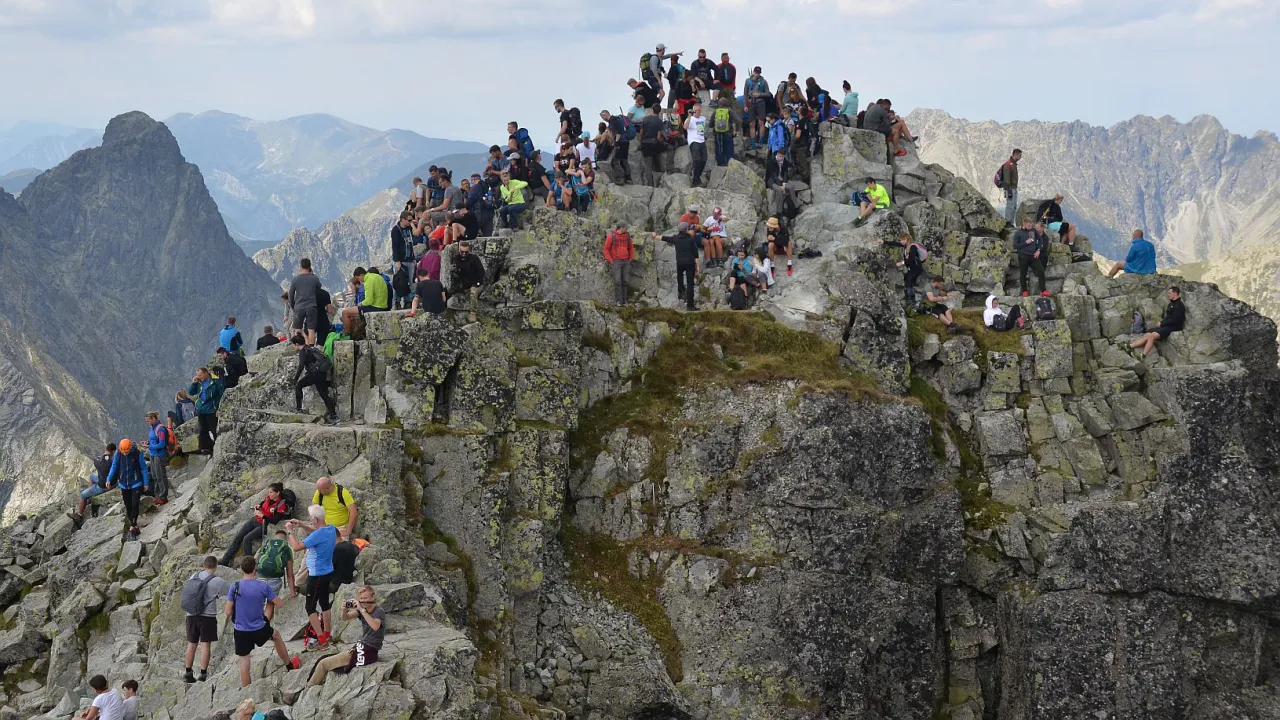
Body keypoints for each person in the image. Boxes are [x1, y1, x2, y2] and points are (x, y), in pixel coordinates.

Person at [225, 556, 297, 687]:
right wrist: (269, 602)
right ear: (255, 569)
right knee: (276, 635)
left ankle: (247, 694)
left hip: (241, 630)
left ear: (242, 569)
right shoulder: (262, 586)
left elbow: (227, 611)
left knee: (244, 664)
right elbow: (279, 604)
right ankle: (288, 664)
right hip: (259, 627)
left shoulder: (234, 587)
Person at [307, 585, 386, 686]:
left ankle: (309, 687)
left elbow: (375, 626)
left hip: (367, 650)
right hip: (362, 646)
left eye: (365, 598)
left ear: (372, 597)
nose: (363, 601)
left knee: (323, 664)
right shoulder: (363, 610)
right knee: (323, 659)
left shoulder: (378, 611)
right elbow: (346, 618)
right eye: (361, 598)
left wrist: (362, 610)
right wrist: (344, 609)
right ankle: (312, 684)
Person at [286, 505, 340, 651]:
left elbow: (296, 547)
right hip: (327, 572)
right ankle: (327, 634)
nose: (310, 520)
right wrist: (302, 525)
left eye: (310, 518)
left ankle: (321, 639)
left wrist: (290, 531)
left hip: (316, 575)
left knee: (310, 607)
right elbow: (317, 532)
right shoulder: (330, 529)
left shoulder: (319, 534)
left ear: (315, 519)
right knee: (324, 603)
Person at [220, 482, 293, 567]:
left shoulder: (281, 505)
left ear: (278, 493)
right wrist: (259, 506)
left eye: (271, 492)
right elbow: (263, 502)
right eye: (268, 492)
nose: (269, 494)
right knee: (238, 537)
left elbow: (275, 520)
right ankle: (225, 560)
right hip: (255, 520)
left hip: (264, 525)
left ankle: (250, 565)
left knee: (246, 539)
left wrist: (263, 516)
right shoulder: (268, 498)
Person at [183, 556, 229, 683]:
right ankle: (203, 674)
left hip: (191, 614)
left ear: (204, 565)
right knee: (205, 645)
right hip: (207, 617)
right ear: (216, 566)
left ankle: (188, 672)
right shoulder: (217, 580)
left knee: (191, 644)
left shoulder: (194, 576)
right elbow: (229, 592)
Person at [105, 438, 149, 540]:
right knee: (128, 506)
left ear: (130, 448)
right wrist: (109, 478)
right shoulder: (118, 454)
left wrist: (145, 482)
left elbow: (143, 468)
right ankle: (135, 526)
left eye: (127, 452)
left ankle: (132, 528)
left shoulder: (137, 453)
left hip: (136, 483)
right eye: (123, 452)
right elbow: (114, 466)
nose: (125, 454)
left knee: (134, 504)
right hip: (124, 484)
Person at [291, 334, 338, 425]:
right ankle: (334, 416)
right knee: (324, 395)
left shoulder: (303, 352)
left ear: (297, 344)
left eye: (293, 345)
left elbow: (301, 366)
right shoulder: (310, 349)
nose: (293, 347)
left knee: (299, 385)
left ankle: (299, 408)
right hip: (321, 373)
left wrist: (295, 378)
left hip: (314, 374)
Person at [1131, 287, 1186, 357]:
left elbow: (1175, 320)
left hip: (1173, 327)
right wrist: (1161, 323)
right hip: (1166, 326)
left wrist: (1162, 324)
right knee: (1147, 334)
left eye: (1169, 293)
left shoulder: (1179, 306)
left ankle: (1143, 356)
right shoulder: (1171, 304)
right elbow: (1168, 317)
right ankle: (1129, 346)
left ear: (1175, 294)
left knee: (1152, 336)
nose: (1168, 295)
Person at [656, 223, 699, 311]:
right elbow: (696, 255)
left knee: (680, 276)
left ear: (679, 229)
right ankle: (690, 305)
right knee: (690, 283)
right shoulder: (691, 239)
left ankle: (681, 292)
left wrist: (655, 236)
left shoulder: (676, 238)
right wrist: (698, 267)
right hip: (690, 263)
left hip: (680, 263)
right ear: (687, 229)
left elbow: (664, 238)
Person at [71, 443, 117, 521]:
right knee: (92, 476)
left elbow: (100, 463)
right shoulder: (115, 461)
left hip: (103, 486)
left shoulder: (97, 460)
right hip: (114, 483)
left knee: (82, 495)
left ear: (105, 449)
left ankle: (79, 515)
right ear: (113, 451)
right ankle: (90, 495)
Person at [882, 233, 928, 305]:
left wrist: (902, 263)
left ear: (906, 239)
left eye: (902, 240)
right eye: (900, 240)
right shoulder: (905, 245)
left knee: (909, 281)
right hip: (912, 268)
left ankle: (911, 300)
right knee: (907, 279)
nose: (901, 242)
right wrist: (884, 242)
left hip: (916, 268)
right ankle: (912, 297)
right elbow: (896, 244)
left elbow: (911, 259)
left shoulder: (913, 247)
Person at [288, 258, 323, 346]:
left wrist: (293, 306)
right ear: (310, 266)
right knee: (311, 329)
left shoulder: (295, 279)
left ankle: (299, 347)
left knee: (298, 329)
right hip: (311, 306)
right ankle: (311, 349)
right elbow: (319, 288)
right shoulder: (314, 278)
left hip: (299, 307)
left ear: (300, 266)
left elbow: (291, 294)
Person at [188, 367, 223, 455]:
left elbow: (221, 395)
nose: (199, 377)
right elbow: (191, 392)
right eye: (197, 375)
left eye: (200, 375)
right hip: (201, 409)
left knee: (214, 430)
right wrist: (193, 384)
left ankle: (218, 447)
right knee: (203, 430)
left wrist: (219, 409)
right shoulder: (199, 383)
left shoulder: (215, 381)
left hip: (212, 410)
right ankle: (206, 448)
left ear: (206, 373)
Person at [256, 527, 297, 599]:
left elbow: (254, 560)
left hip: (260, 578)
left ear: (274, 537)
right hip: (275, 581)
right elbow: (290, 574)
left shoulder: (266, 544)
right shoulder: (287, 549)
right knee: (270, 604)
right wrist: (292, 592)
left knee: (259, 603)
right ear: (286, 539)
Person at [1013, 218, 1049, 297]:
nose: (1030, 226)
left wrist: (1038, 250)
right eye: (1028, 225)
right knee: (1023, 273)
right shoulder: (1018, 233)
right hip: (1023, 255)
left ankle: (1043, 290)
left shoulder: (1033, 230)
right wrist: (1025, 243)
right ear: (1024, 224)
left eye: (1031, 224)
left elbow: (1040, 240)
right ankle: (1024, 291)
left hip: (1033, 255)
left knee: (1041, 270)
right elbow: (1015, 246)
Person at [453, 240, 486, 323]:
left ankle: (473, 314)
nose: (464, 254)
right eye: (462, 252)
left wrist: (477, 283)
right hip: (464, 284)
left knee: (473, 292)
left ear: (469, 250)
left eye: (466, 252)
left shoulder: (474, 258)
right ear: (459, 250)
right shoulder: (457, 258)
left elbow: (481, 271)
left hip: (476, 284)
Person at [603, 224, 635, 306]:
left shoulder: (627, 236)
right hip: (616, 261)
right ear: (621, 228)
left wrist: (630, 258)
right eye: (626, 227)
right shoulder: (611, 236)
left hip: (626, 261)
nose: (627, 229)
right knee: (617, 281)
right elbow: (605, 249)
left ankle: (624, 301)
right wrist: (611, 260)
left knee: (626, 281)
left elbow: (631, 247)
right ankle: (619, 301)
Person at [600, 110, 633, 185]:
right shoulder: (616, 120)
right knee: (623, 160)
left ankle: (620, 179)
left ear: (606, 115)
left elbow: (618, 132)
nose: (603, 119)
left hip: (620, 142)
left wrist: (616, 142)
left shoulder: (613, 120)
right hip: (626, 141)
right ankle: (628, 178)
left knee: (614, 161)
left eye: (602, 117)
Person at [391, 211, 416, 308]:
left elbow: (410, 243)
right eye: (409, 220)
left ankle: (408, 301)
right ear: (403, 219)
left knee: (410, 282)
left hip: (410, 259)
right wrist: (397, 261)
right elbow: (395, 246)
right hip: (400, 260)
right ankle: (396, 302)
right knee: (399, 281)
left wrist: (413, 257)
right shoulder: (396, 230)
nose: (411, 222)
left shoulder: (409, 229)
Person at [145, 411, 171, 505]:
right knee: (155, 476)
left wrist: (150, 447)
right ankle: (157, 495)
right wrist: (148, 443)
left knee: (160, 476)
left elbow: (162, 444)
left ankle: (163, 496)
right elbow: (154, 440)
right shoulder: (153, 429)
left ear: (153, 418)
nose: (148, 422)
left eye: (148, 420)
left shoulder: (160, 429)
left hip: (159, 455)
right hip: (153, 455)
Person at [744, 67, 770, 148]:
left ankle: (761, 142)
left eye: (759, 73)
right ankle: (752, 143)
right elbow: (745, 93)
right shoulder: (748, 81)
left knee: (761, 123)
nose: (757, 74)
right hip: (751, 103)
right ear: (754, 72)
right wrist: (745, 105)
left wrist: (760, 94)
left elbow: (768, 93)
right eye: (756, 72)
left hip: (760, 102)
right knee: (751, 123)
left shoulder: (763, 81)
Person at [765, 150, 796, 219]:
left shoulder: (784, 161)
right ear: (778, 154)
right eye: (780, 156)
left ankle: (795, 206)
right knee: (779, 190)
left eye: (783, 156)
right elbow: (774, 176)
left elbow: (785, 172)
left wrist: (784, 182)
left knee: (791, 187)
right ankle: (779, 211)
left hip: (782, 180)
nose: (781, 158)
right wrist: (781, 186)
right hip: (772, 181)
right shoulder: (771, 162)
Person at [639, 105, 665, 185]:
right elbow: (658, 137)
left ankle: (650, 183)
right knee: (669, 148)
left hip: (645, 144)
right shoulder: (659, 121)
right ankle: (665, 168)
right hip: (654, 144)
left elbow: (641, 133)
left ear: (652, 109)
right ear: (659, 111)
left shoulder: (645, 119)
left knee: (648, 166)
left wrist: (641, 142)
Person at [685, 103, 708, 187]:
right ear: (693, 111)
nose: (698, 112)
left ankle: (697, 175)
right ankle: (695, 180)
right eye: (696, 111)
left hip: (701, 140)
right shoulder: (690, 119)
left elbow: (701, 129)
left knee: (704, 159)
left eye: (699, 110)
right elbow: (685, 127)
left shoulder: (703, 118)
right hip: (693, 141)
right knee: (697, 160)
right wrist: (689, 116)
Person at [711, 95, 735, 167]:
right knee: (729, 149)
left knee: (719, 149)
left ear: (719, 104)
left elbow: (710, 124)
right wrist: (736, 130)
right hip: (728, 133)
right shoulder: (730, 111)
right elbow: (738, 121)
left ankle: (720, 165)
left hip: (718, 134)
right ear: (727, 103)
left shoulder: (715, 112)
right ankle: (730, 165)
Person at [1000, 149, 1022, 224]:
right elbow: (1006, 179)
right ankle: (1008, 222)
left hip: (1014, 188)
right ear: (1015, 154)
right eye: (1019, 155)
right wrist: (1008, 190)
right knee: (1010, 205)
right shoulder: (1008, 165)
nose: (1020, 157)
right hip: (1010, 189)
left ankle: (1011, 223)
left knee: (1014, 206)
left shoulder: (1014, 164)